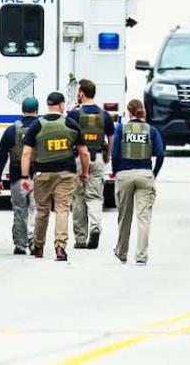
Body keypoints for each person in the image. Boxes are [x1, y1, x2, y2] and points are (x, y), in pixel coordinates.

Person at [20, 92, 90, 261]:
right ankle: (60, 247)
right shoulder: (70, 123)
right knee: (62, 209)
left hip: (42, 174)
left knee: (41, 211)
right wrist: (85, 172)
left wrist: (24, 177)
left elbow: (26, 153)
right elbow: (84, 153)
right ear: (61, 105)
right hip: (66, 173)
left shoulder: (37, 125)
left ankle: (38, 246)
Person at [111, 99, 165, 265]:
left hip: (124, 174)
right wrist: (153, 173)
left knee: (124, 216)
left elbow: (115, 154)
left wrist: (116, 171)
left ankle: (121, 252)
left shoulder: (121, 129)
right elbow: (160, 154)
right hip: (145, 174)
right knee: (144, 217)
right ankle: (141, 255)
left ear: (129, 112)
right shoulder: (152, 130)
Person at [67, 79, 115, 250]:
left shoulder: (75, 115)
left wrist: (70, 109)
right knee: (95, 197)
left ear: (81, 93)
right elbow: (111, 137)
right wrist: (108, 156)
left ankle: (80, 239)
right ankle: (95, 226)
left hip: (78, 159)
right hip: (98, 158)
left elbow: (66, 132)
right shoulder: (104, 115)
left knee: (78, 197)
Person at [0, 97, 39, 255]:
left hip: (17, 176)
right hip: (38, 175)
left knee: (20, 210)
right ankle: (34, 239)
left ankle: (20, 245)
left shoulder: (12, 129)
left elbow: (1, 156)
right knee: (36, 209)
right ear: (37, 111)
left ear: (22, 110)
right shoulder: (42, 128)